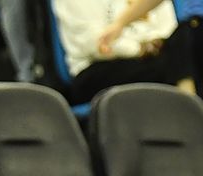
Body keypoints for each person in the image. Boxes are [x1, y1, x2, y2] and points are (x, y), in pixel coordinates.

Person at [53, 0, 191, 105]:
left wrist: (158, 46)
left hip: (154, 59)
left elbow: (169, 30)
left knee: (186, 53)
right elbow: (93, 43)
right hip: (96, 68)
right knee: (179, 65)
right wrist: (140, 49)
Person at [98, 0, 202, 95]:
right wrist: (119, 24)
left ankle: (189, 104)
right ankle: (188, 103)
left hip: (189, 38)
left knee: (182, 41)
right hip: (191, 32)